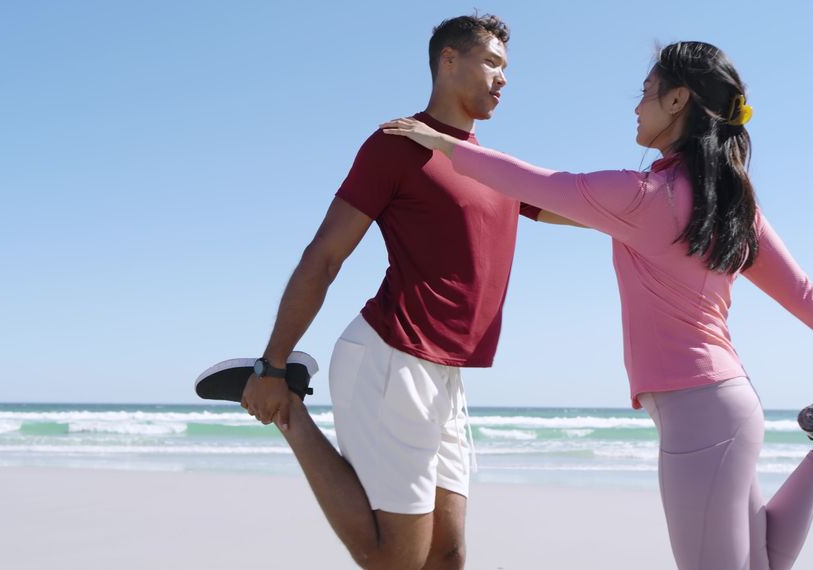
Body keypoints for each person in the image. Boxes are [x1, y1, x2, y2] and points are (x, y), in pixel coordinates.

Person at [381, 40, 813, 570]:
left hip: (698, 416)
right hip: (731, 404)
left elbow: (536, 184)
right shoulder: (731, 205)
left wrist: (444, 143)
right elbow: (804, 295)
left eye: (646, 91)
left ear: (677, 99)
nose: (637, 106)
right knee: (757, 564)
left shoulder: (641, 196)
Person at [240, 14, 573, 570]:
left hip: (446, 373)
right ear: (448, 60)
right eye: (491, 62)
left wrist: (669, 199)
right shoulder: (395, 145)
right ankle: (289, 410)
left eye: (506, 68)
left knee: (448, 556)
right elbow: (324, 256)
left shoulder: (493, 167)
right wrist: (273, 364)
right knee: (396, 559)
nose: (503, 78)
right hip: (390, 357)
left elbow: (584, 209)